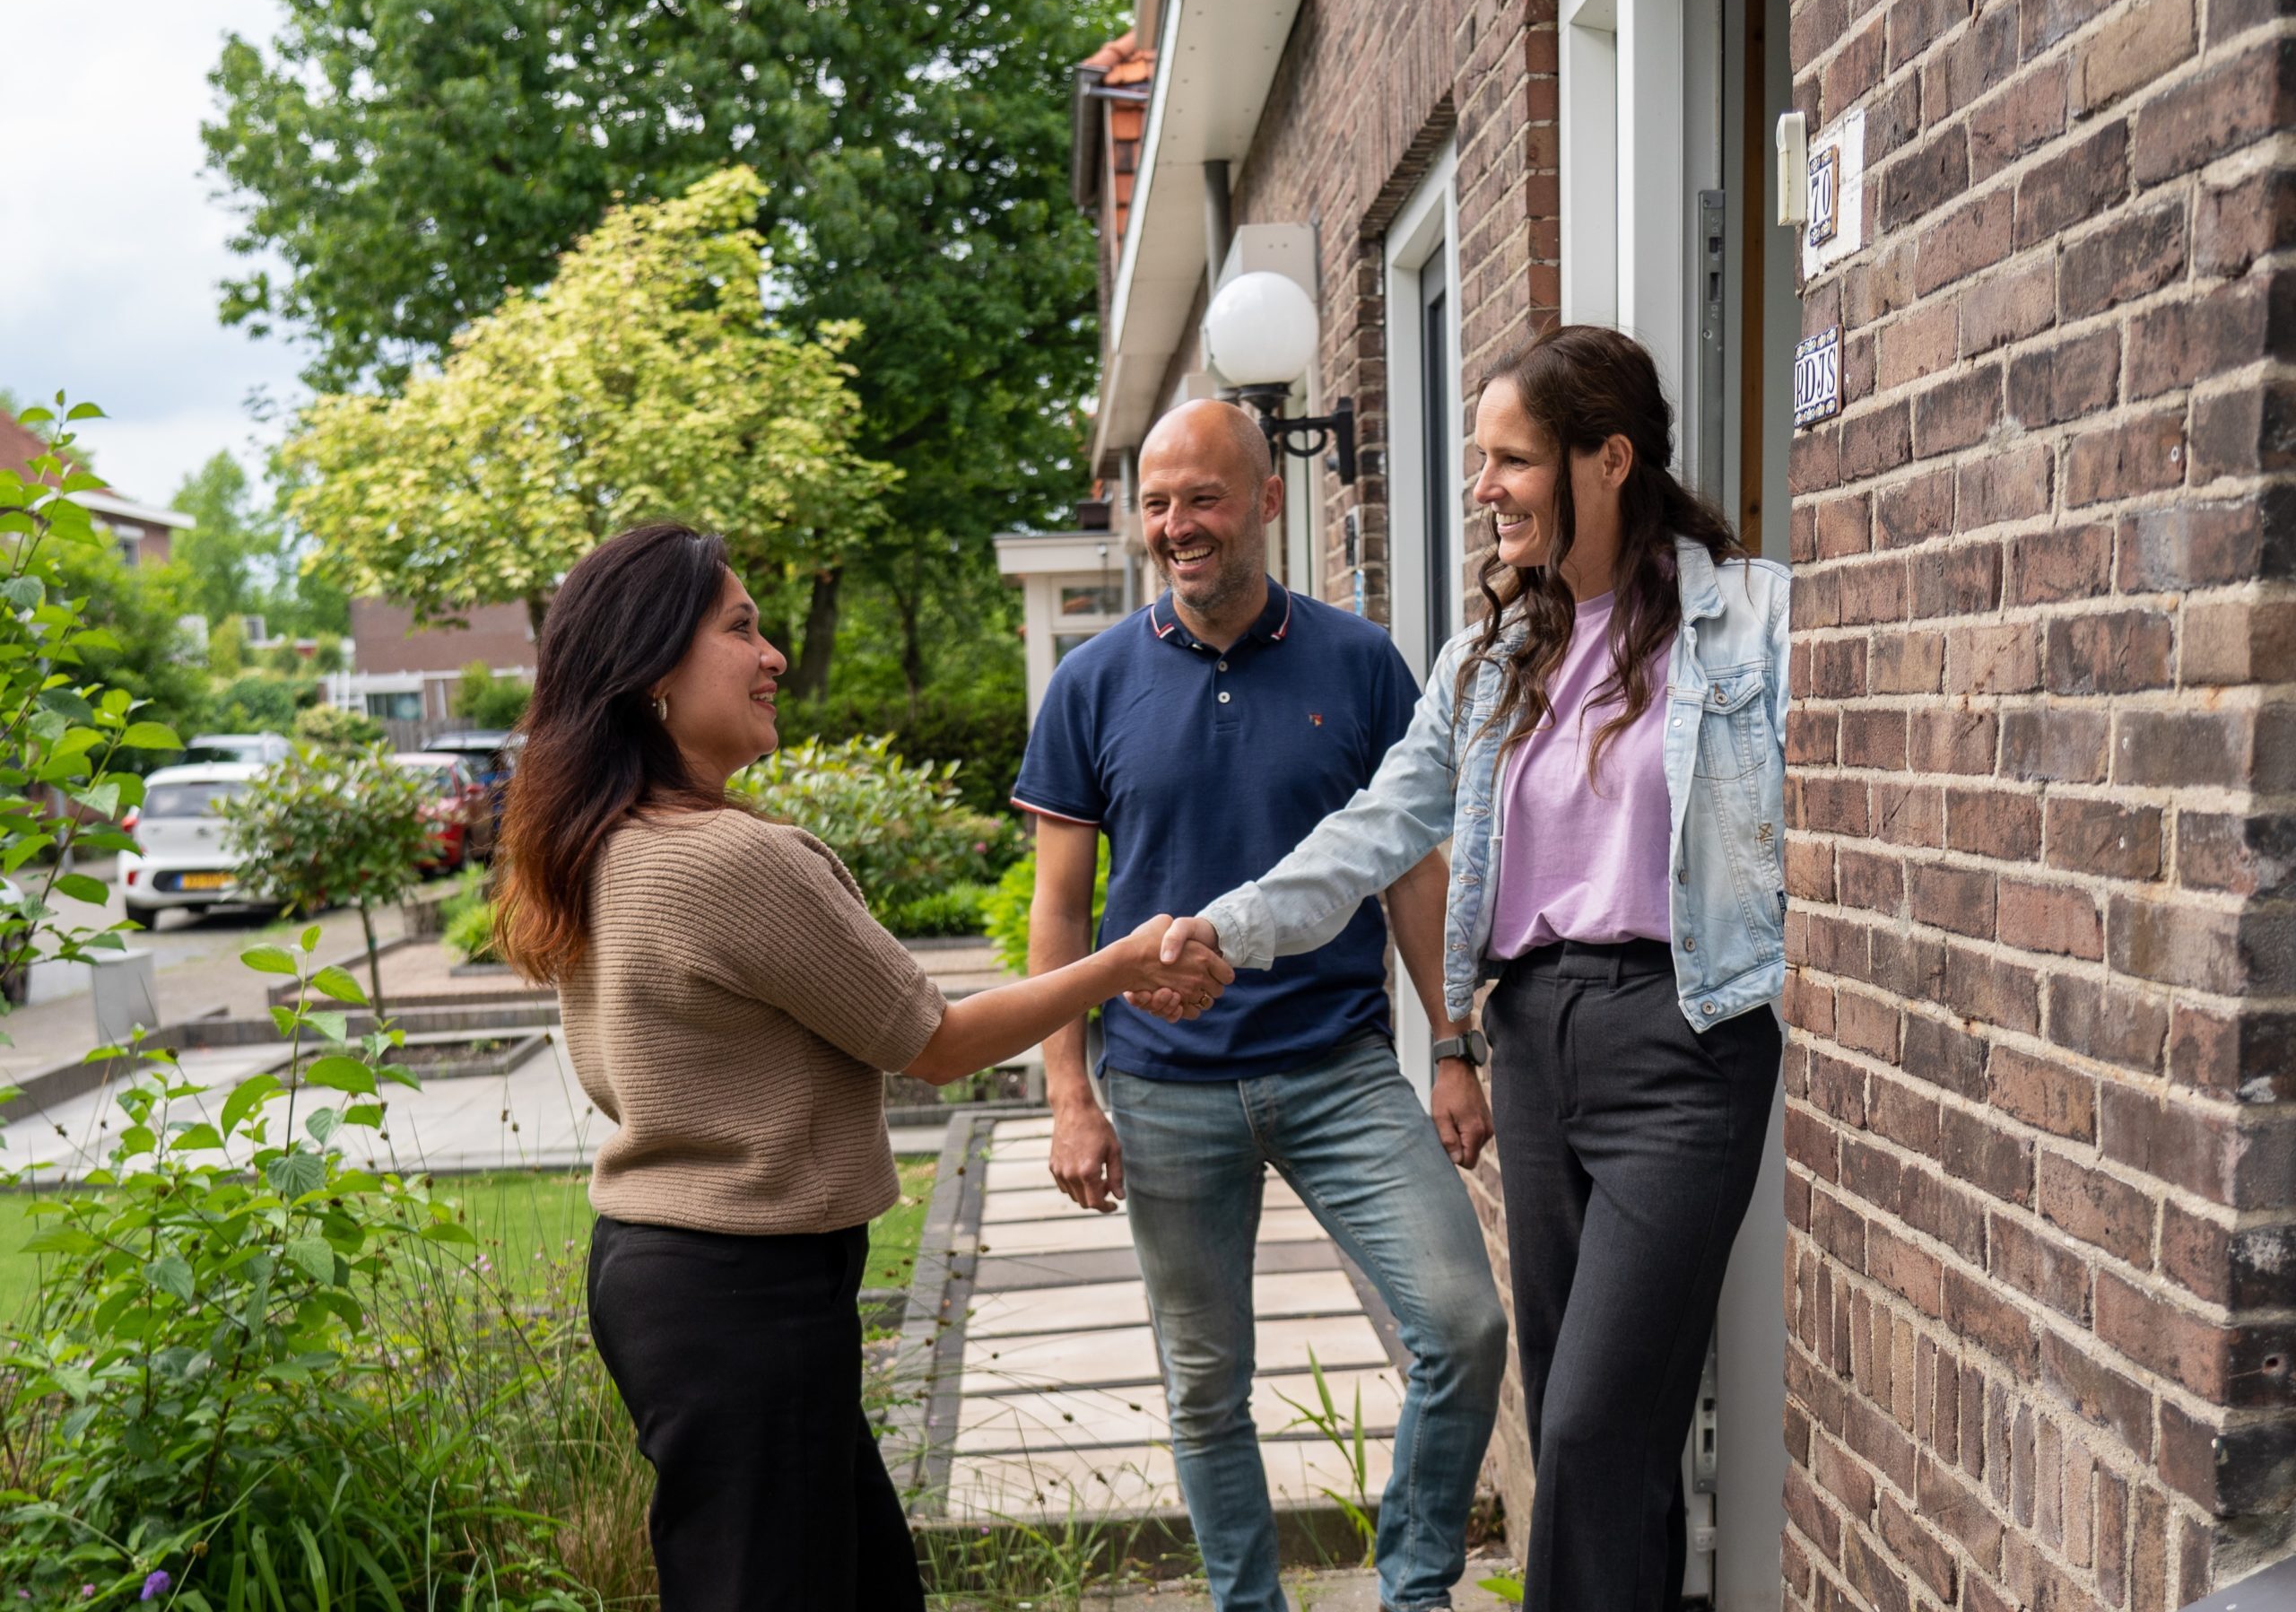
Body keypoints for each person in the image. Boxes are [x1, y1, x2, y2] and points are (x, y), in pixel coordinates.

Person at [1161, 327, 1791, 1612]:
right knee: (1591, 1421)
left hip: (1688, 1041)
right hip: (1539, 1043)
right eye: (1481, 461)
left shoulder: (1753, 622)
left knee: (1588, 1430)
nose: (1485, 487)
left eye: (1511, 459)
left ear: (1606, 460)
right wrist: (1231, 926)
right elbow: (1375, 830)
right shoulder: (1491, 659)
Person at [491, 523, 1232, 1612]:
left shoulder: (600, 839)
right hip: (744, 1290)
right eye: (739, 627)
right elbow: (934, 1043)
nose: (773, 653)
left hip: (672, 1274)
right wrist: (1119, 963)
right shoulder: (730, 859)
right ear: (652, 671)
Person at [1014, 400, 1508, 1612]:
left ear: (1268, 500)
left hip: (1337, 1069)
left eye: (1205, 498)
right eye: (1158, 504)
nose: (1178, 527)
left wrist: (1450, 1049)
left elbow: (1408, 868)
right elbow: (1061, 914)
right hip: (1162, 1087)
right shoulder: (1092, 684)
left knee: (1463, 1326)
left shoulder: (1359, 664)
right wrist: (1070, 1096)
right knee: (1203, 1386)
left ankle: (1417, 1587)